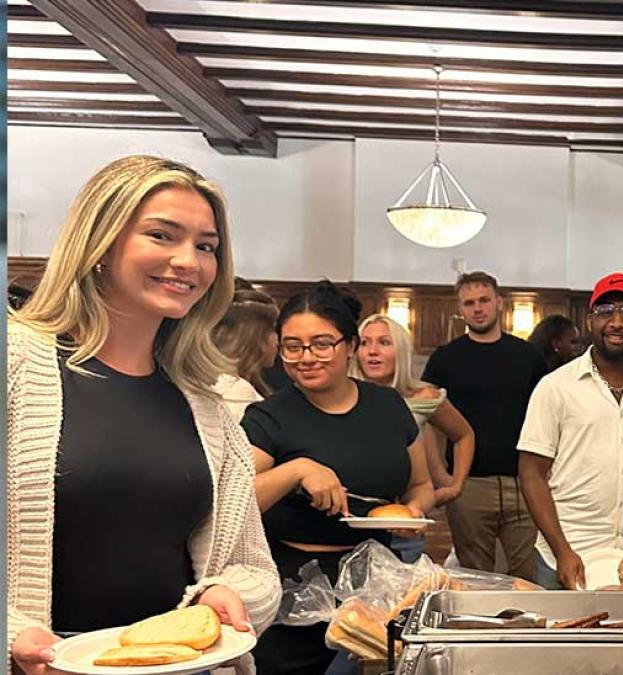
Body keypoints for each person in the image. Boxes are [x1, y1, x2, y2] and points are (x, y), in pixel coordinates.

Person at [6, 155, 281, 673]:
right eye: (162, 235)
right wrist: (13, 635)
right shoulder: (16, 366)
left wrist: (224, 593)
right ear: (100, 243)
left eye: (206, 247)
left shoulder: (207, 402)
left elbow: (251, 566)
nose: (188, 261)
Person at [243, 281, 435, 675]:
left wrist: (413, 512)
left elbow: (421, 484)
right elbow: (237, 500)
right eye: (292, 346)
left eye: (321, 344)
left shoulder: (388, 406)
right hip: (294, 585)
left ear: (350, 346)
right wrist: (296, 469)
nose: (305, 357)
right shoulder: (270, 415)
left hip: (379, 581)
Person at [518, 272, 623, 590]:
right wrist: (562, 550)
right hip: (565, 555)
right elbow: (531, 473)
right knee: (561, 638)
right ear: (590, 318)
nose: (618, 322)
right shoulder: (556, 387)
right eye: (607, 311)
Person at [421, 271, 547, 581]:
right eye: (469, 303)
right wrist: (442, 476)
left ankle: (525, 631)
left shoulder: (527, 355)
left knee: (529, 575)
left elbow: (548, 416)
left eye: (484, 300)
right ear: (460, 310)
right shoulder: (445, 358)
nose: (478, 308)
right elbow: (425, 420)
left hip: (525, 481)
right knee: (475, 577)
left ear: (499, 303)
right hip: (470, 484)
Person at [354, 313, 475, 507]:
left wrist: (456, 485)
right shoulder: (342, 397)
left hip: (408, 510)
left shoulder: (424, 398)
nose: (372, 351)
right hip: (350, 508)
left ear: (401, 351)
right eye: (364, 343)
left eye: (384, 343)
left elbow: (464, 435)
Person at [212, 280, 280, 420]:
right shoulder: (236, 395)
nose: (278, 339)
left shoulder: (247, 387)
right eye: (273, 329)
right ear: (255, 337)